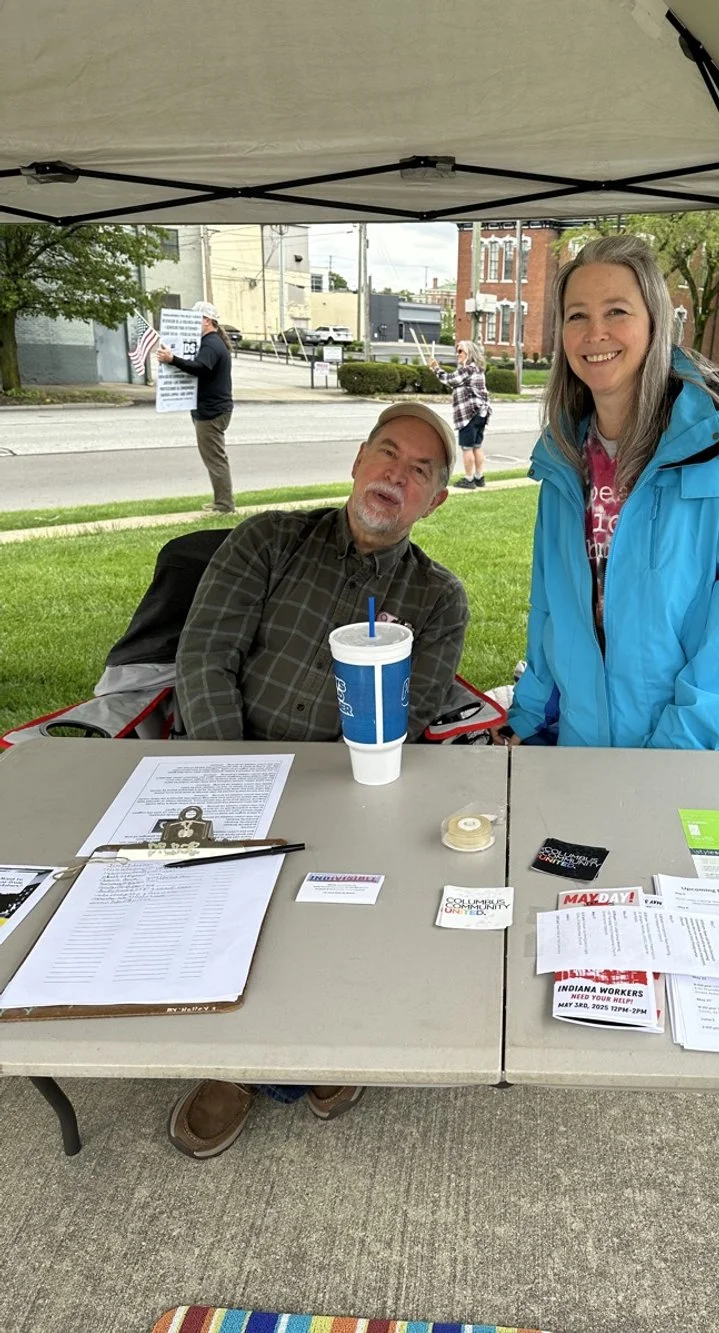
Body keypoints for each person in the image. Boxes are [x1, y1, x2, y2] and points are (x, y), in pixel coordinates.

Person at [169, 401, 468, 1158]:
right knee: (225, 887)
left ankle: (324, 1030)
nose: (397, 475)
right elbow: (205, 660)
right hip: (229, 755)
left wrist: (337, 798)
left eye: (421, 471)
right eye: (388, 454)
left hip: (346, 781)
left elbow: (412, 712)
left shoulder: (437, 599)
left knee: (356, 884)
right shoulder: (268, 539)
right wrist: (236, 785)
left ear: (434, 500)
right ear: (358, 460)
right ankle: (234, 1061)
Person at [504, 234, 719, 750]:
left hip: (706, 756)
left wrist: (673, 749)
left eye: (616, 310)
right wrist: (528, 716)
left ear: (655, 323)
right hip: (589, 752)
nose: (594, 332)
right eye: (576, 315)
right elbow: (551, 609)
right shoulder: (561, 461)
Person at [157, 300, 236, 514]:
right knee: (213, 457)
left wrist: (173, 359)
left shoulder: (211, 343)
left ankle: (224, 505)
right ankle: (221, 501)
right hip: (211, 409)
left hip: (212, 411)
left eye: (196, 319)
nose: (192, 323)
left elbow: (200, 367)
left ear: (208, 321)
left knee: (215, 458)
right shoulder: (213, 341)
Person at [428, 340, 490, 489]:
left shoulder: (468, 369)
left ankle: (469, 480)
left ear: (470, 352)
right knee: (477, 446)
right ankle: (479, 478)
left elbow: (450, 380)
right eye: (457, 351)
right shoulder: (477, 369)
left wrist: (436, 368)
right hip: (481, 413)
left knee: (467, 448)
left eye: (461, 351)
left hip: (469, 415)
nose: (458, 354)